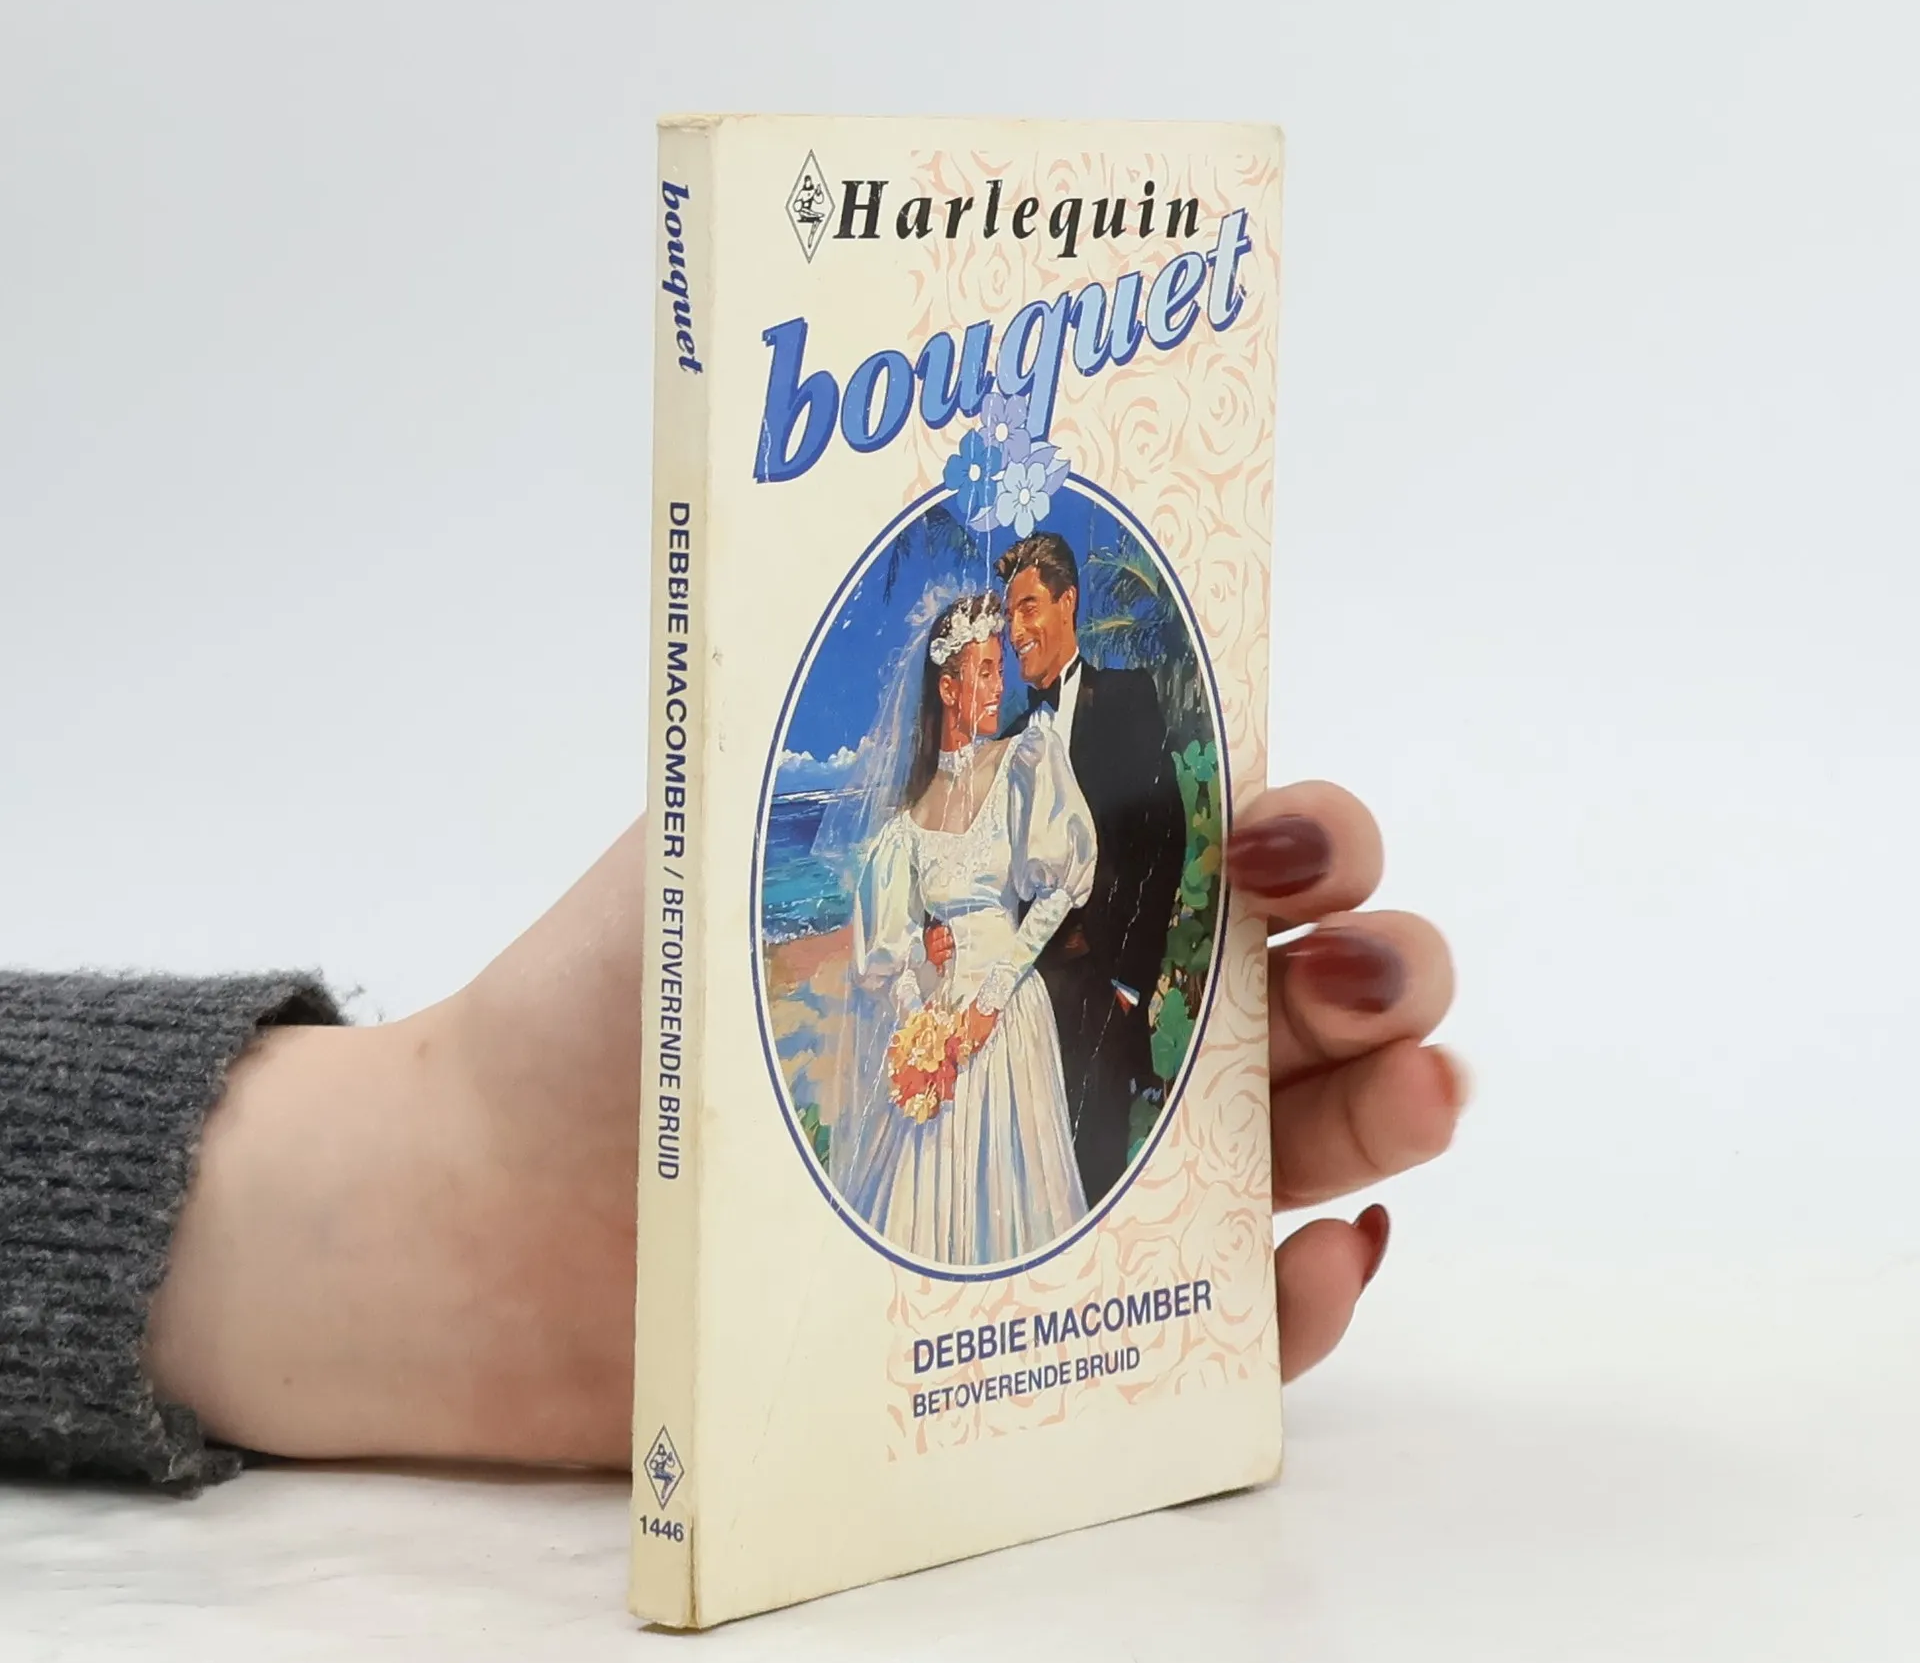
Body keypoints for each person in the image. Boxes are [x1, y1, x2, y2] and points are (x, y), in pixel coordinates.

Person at [0, 780, 1462, 1488]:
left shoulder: (1037, 781)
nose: (983, 676)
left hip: (1005, 1035)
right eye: (963, 664)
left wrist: (433, 1156)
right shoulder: (914, 819)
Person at [835, 594, 1096, 1265]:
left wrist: (992, 998)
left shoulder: (1022, 761)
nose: (999, 686)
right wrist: (921, 1012)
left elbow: (1060, 887)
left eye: (1000, 670)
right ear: (948, 689)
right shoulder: (906, 828)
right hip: (943, 1026)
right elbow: (889, 959)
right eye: (984, 672)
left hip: (1007, 1015)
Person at [985, 531, 1190, 1208]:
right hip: (1028, 1000)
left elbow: (1164, 839)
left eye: (1028, 608)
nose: (1016, 631)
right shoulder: (1010, 740)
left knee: (1097, 1180)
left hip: (1103, 990)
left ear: (1068, 602)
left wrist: (1129, 982)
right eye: (1009, 616)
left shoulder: (1127, 698)